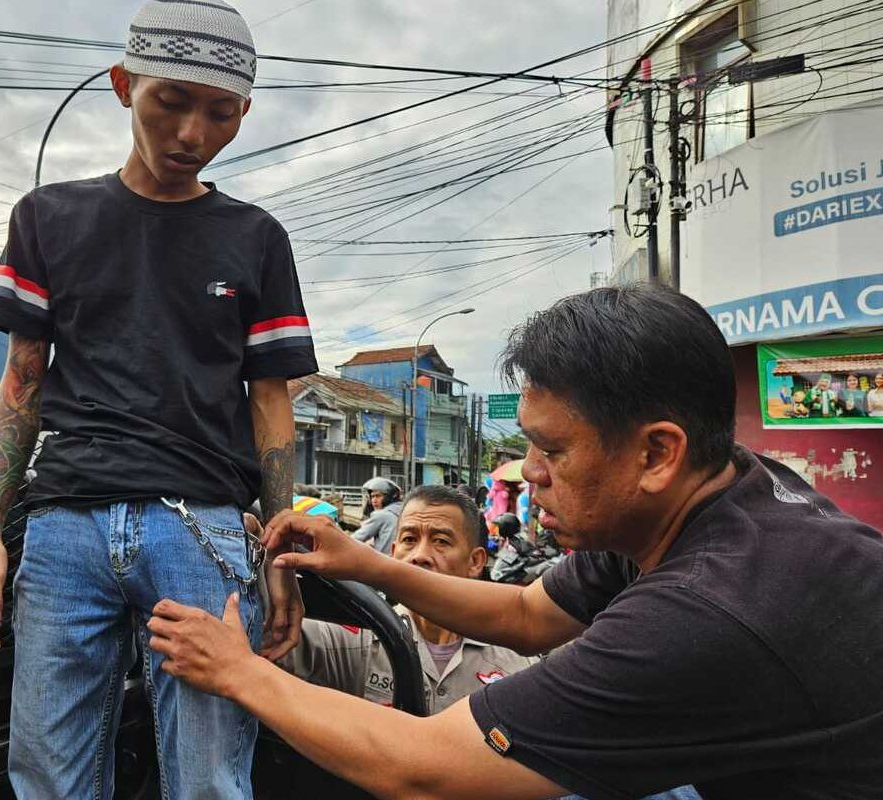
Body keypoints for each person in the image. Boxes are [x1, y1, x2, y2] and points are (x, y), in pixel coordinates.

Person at [146, 283, 883, 799]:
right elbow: (529, 615)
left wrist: (240, 672)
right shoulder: (707, 492)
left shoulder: (707, 608)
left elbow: (427, 771)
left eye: (552, 450)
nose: (528, 472)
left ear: (657, 452)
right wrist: (367, 564)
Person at [0, 3, 318, 798]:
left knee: (210, 779)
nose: (192, 133)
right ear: (124, 85)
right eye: (171, 102)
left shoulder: (257, 237)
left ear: (244, 112)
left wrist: (279, 558)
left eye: (221, 113)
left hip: (204, 529)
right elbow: (21, 383)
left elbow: (271, 401)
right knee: (47, 776)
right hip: (66, 524)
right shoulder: (47, 217)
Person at [283, 485, 538, 714]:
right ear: (394, 552)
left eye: (441, 541)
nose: (420, 555)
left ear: (475, 562)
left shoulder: (518, 662)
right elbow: (277, 639)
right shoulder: (358, 637)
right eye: (409, 540)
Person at [352, 477, 403, 553]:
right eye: (372, 496)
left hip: (384, 558)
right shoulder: (403, 510)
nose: (374, 500)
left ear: (389, 497)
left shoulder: (381, 515)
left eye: (378, 496)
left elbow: (355, 539)